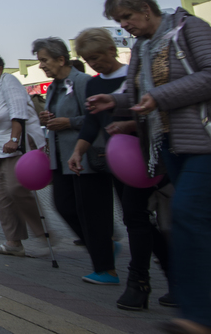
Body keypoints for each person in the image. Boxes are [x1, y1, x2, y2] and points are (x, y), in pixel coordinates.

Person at [86, 0, 211, 334]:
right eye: (119, 21)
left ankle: (198, 318)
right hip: (169, 145)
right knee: (193, 223)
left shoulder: (189, 29)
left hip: (204, 141)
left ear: (145, 8)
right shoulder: (142, 47)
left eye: (127, 18)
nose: (125, 26)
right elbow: (134, 94)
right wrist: (114, 102)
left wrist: (158, 96)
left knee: (186, 217)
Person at [68, 27, 174, 311]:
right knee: (137, 219)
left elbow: (154, 113)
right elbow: (93, 123)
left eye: (97, 57)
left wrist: (128, 126)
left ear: (112, 51)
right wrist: (79, 151)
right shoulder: (93, 84)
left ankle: (141, 284)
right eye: (88, 60)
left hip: (146, 158)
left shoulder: (134, 76)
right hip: (118, 162)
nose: (94, 63)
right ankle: (169, 279)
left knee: (138, 218)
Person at [34, 37, 116, 285]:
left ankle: (106, 268)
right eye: (39, 61)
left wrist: (68, 122)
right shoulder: (55, 87)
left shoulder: (83, 82)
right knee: (64, 206)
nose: (41, 66)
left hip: (85, 158)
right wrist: (45, 118)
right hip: (61, 159)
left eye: (44, 60)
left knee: (91, 213)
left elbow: (95, 119)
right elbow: (56, 117)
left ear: (61, 59)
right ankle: (104, 249)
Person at [0, 52, 46, 257]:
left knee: (16, 189)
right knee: (1, 196)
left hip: (15, 145)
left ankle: (43, 233)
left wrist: (14, 140)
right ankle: (14, 242)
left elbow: (18, 113)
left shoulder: (9, 82)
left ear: (0, 69)